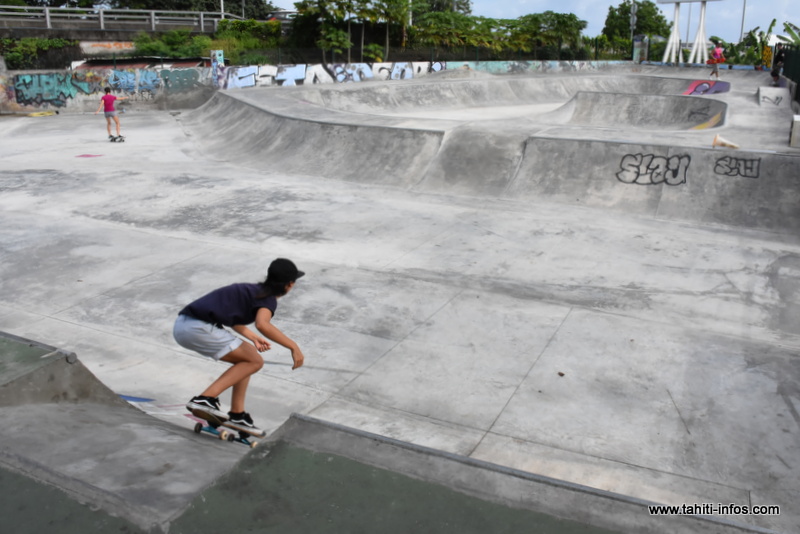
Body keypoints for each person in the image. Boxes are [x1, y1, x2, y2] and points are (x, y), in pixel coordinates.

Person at [173, 258, 306, 429]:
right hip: (198, 327)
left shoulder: (252, 291)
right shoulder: (268, 299)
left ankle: (237, 414)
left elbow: (232, 319)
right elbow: (262, 324)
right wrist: (293, 346)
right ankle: (205, 399)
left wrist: (252, 337)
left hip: (184, 326)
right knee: (255, 361)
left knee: (248, 358)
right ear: (289, 285)